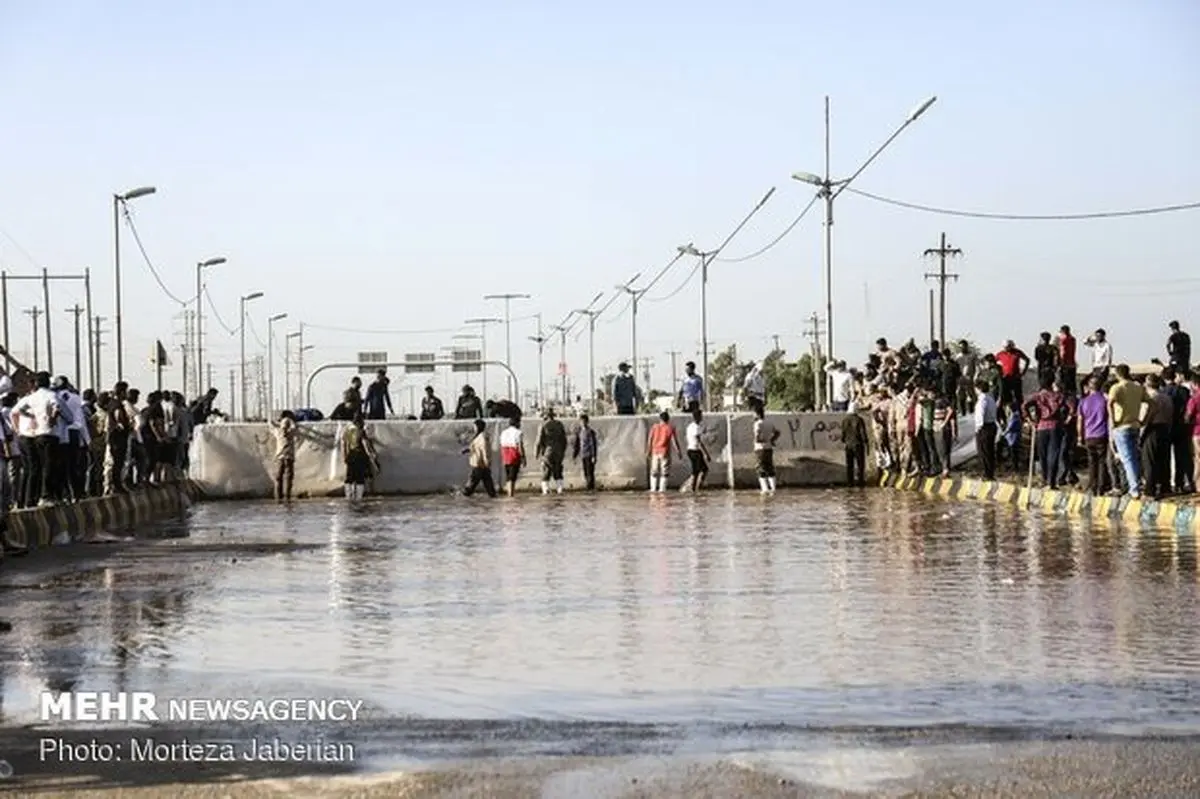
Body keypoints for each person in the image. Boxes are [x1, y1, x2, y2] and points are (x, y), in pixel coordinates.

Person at [13, 371, 60, 507]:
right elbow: (56, 407)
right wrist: (52, 419)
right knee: (49, 466)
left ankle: (31, 499)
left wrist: (31, 416)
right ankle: (45, 496)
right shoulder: (51, 395)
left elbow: (18, 410)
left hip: (37, 434)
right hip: (50, 433)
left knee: (36, 467)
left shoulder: (32, 397)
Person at [1107, 364, 1146, 498]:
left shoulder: (1116, 388)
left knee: (1127, 460)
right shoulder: (1138, 387)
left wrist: (1113, 421)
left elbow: (1110, 403)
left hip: (1122, 427)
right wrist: (1144, 420)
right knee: (1134, 457)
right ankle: (1136, 484)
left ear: (1117, 374)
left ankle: (1134, 489)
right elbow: (1151, 403)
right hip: (1135, 425)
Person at [1024, 374, 1064, 489]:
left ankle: (1045, 479)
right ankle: (1051, 482)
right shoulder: (1058, 396)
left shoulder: (1038, 396)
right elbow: (1069, 407)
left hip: (1041, 426)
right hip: (1055, 426)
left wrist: (1030, 420)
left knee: (1043, 455)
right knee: (1053, 454)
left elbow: (1025, 405)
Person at [1076, 375, 1111, 495]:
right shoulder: (1104, 400)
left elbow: (1080, 421)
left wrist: (1080, 437)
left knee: (1092, 462)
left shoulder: (1083, 401)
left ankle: (1092, 486)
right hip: (1102, 434)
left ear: (1089, 386)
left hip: (1089, 435)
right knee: (1102, 462)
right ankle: (1101, 487)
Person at [1140, 374, 1173, 500]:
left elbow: (1145, 417)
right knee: (1164, 459)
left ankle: (1150, 490)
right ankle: (1165, 486)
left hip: (1152, 428)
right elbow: (1170, 415)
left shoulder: (1150, 398)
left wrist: (1141, 433)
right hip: (1165, 428)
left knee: (1150, 460)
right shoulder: (1167, 398)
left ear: (1148, 383)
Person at [340, 414, 374, 500]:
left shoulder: (348, 431)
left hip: (351, 455)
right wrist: (371, 455)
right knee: (359, 478)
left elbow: (344, 443)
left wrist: (344, 455)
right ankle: (358, 498)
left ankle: (348, 497)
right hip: (360, 456)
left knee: (349, 478)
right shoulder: (361, 431)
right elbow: (365, 444)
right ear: (360, 422)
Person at [646, 410, 681, 493]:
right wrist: (678, 452)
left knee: (654, 471)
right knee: (664, 471)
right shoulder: (670, 428)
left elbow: (650, 439)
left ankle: (653, 489)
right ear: (668, 419)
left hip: (655, 451)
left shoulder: (654, 427)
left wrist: (648, 450)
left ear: (660, 419)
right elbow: (674, 441)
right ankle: (662, 489)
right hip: (664, 452)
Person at [535, 408, 568, 494]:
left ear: (546, 415)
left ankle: (546, 491)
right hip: (558, 451)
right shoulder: (559, 424)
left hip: (548, 452)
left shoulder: (543, 425)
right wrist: (563, 451)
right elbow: (564, 440)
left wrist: (537, 453)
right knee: (558, 470)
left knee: (546, 470)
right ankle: (560, 489)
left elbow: (539, 441)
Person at [461, 418, 496, 498]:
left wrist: (486, 460)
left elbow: (484, 449)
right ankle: (493, 499)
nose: (474, 428)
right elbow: (476, 447)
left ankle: (465, 498)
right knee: (488, 484)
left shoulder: (482, 437)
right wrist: (467, 450)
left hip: (479, 463)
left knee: (472, 483)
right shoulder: (478, 436)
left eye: (475, 426)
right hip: (481, 463)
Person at [973, 378, 998, 480]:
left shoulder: (982, 400)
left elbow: (980, 415)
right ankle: (990, 473)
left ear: (978, 389)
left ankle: (986, 474)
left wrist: (978, 427)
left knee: (983, 451)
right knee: (990, 451)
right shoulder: (991, 398)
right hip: (992, 425)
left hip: (984, 427)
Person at [994, 340, 1030, 409]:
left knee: (1018, 397)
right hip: (1006, 378)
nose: (1007, 348)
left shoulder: (1017, 352)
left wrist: (1023, 372)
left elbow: (1027, 360)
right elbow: (993, 362)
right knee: (1006, 397)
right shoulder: (1000, 354)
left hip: (1016, 377)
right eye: (1005, 347)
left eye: (1008, 347)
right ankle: (1009, 411)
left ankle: (1021, 412)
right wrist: (999, 371)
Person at [752, 405, 779, 493]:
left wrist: (760, 440)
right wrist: (771, 440)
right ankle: (773, 488)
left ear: (758, 414)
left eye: (754, 414)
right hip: (769, 448)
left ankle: (764, 489)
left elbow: (757, 437)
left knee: (760, 468)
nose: (753, 415)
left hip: (760, 449)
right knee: (770, 467)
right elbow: (777, 432)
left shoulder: (757, 424)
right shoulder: (769, 423)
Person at [271, 410, 297, 502]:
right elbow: (271, 424)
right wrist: (289, 420)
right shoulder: (288, 432)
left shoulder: (280, 432)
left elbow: (271, 424)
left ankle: (283, 496)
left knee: (284, 477)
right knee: (282, 476)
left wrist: (282, 421)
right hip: (284, 456)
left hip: (285, 456)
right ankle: (283, 496)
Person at [683, 408, 710, 492]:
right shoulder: (696, 427)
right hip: (695, 451)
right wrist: (706, 454)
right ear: (698, 417)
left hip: (690, 450)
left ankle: (694, 488)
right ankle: (696, 488)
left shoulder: (691, 426)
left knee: (696, 471)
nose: (702, 417)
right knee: (702, 470)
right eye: (701, 416)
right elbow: (699, 441)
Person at [498, 417, 525, 497]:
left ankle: (509, 493)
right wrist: (523, 457)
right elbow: (520, 446)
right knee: (513, 476)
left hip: (505, 454)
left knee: (508, 475)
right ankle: (511, 494)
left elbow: (501, 444)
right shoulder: (518, 432)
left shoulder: (503, 432)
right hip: (514, 454)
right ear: (517, 423)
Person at [571, 413, 598, 491]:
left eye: (584, 421)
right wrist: (574, 455)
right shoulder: (579, 432)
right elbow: (577, 444)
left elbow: (593, 444)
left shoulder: (590, 432)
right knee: (585, 472)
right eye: (581, 421)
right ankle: (588, 486)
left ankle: (590, 488)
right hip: (583, 454)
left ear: (587, 422)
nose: (582, 423)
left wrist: (594, 456)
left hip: (589, 454)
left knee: (590, 472)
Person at [841, 410, 868, 487]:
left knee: (849, 465)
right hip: (858, 444)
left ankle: (850, 482)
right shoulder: (859, 420)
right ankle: (860, 482)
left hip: (848, 445)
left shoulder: (845, 420)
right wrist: (865, 441)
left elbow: (843, 433)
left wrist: (844, 440)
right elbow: (862, 432)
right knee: (860, 464)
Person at [933, 394, 957, 478]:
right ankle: (946, 468)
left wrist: (944, 423)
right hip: (942, 427)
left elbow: (950, 411)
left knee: (942, 449)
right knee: (945, 449)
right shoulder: (942, 400)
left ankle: (945, 469)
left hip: (940, 427)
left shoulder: (940, 401)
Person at [1058, 325, 1078, 394]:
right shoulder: (1073, 339)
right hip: (1072, 364)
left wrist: (1061, 363)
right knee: (1072, 384)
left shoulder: (1063, 340)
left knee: (1064, 383)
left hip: (1065, 364)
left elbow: (1063, 352)